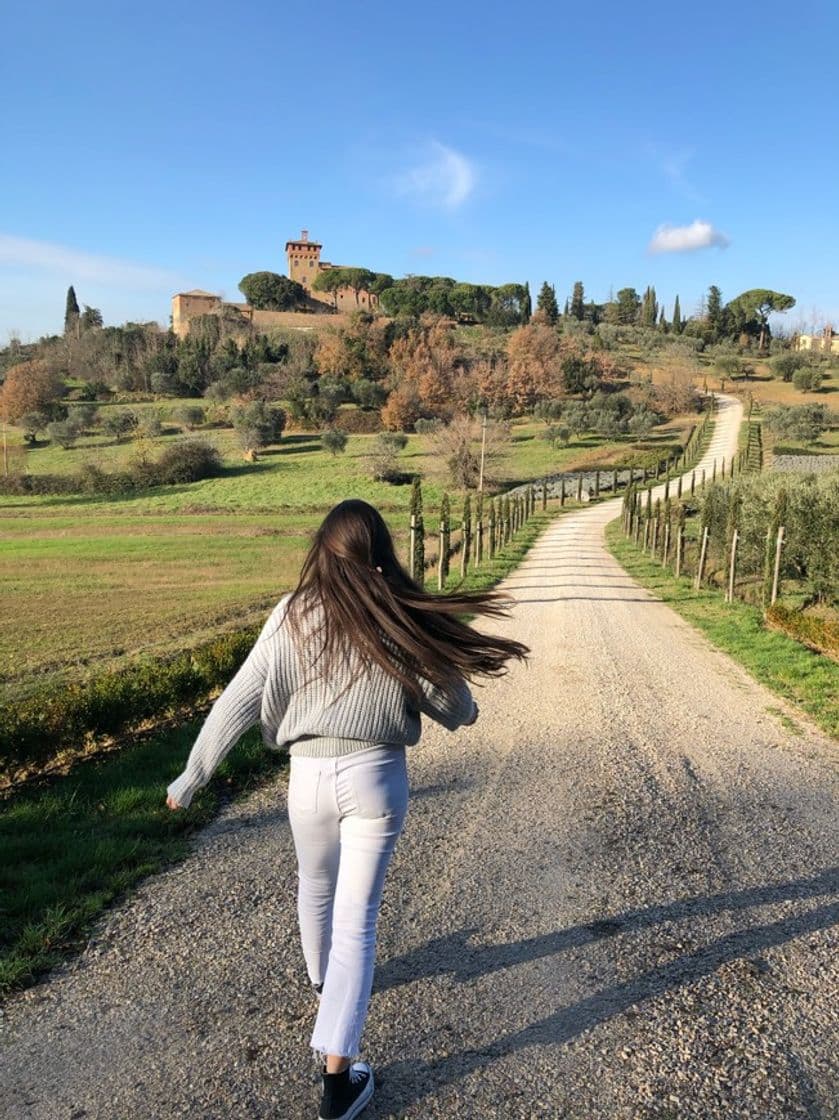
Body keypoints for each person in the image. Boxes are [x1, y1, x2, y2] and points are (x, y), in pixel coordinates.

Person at [166, 498, 528, 1119]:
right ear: (379, 551)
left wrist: (191, 777)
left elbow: (238, 700)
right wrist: (468, 714)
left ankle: (322, 987)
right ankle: (339, 1079)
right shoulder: (393, 611)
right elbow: (453, 702)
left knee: (314, 885)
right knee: (357, 921)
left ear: (322, 551)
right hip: (376, 776)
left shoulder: (291, 613)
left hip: (306, 778)